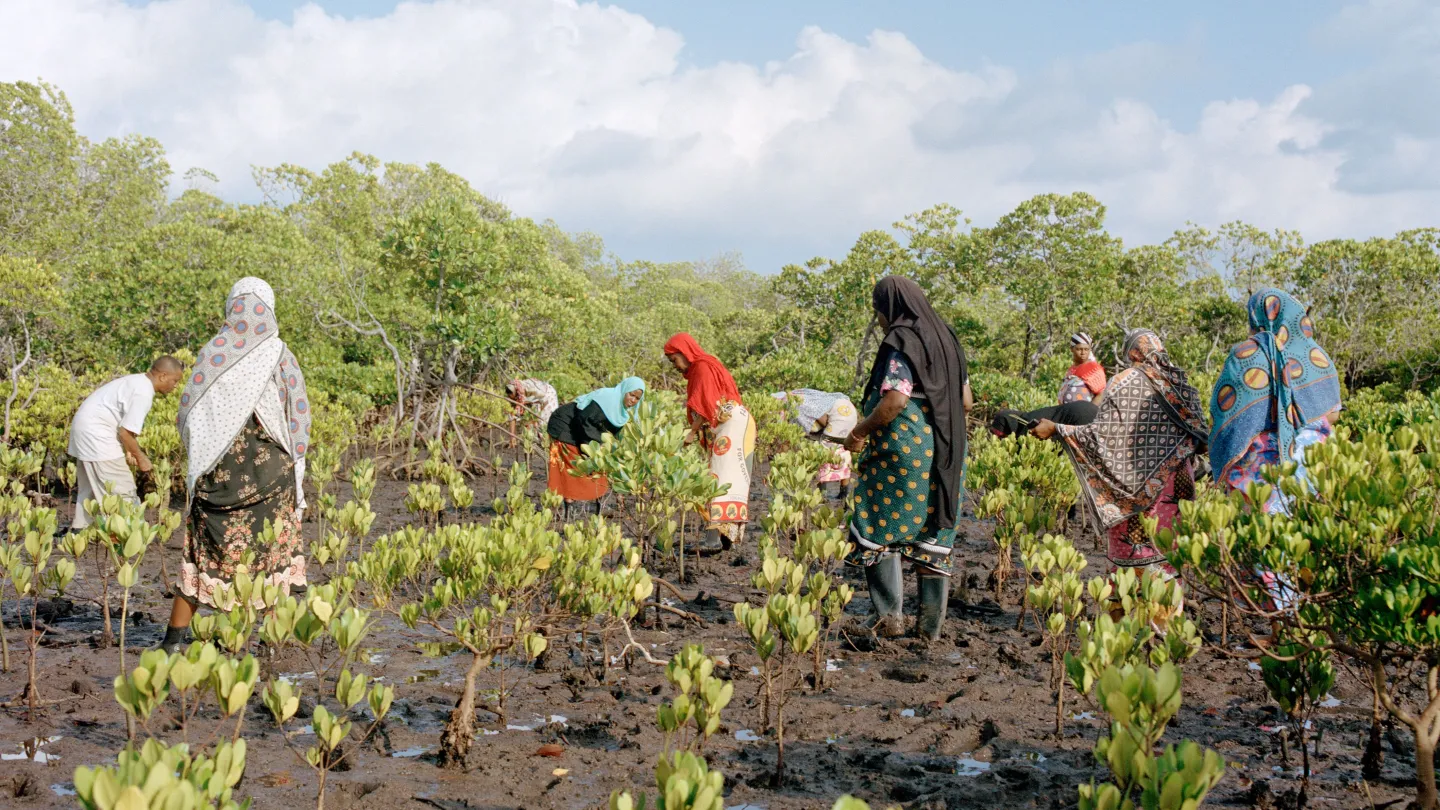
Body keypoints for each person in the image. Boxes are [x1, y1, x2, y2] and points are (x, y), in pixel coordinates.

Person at [158, 277, 311, 653]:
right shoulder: (280, 354)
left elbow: (188, 416)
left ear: (231, 308)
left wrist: (203, 464)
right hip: (271, 477)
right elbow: (299, 417)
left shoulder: (213, 353)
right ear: (269, 308)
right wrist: (298, 470)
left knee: (200, 557)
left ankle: (171, 644)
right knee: (274, 560)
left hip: (217, 480)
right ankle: (269, 646)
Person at [843, 277, 971, 641]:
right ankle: (930, 630)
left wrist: (860, 432)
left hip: (904, 454)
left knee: (878, 525)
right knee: (934, 535)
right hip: (947, 455)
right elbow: (966, 403)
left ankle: (890, 619)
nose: (880, 320)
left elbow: (895, 401)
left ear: (891, 306)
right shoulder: (947, 340)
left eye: (878, 311)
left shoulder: (902, 340)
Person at [1033, 329, 1208, 576]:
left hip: (1129, 490)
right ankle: (1166, 612)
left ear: (1131, 353)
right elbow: (1203, 443)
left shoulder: (1122, 382)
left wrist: (1058, 429)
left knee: (1130, 570)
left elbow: (1098, 435)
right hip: (1174, 487)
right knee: (1168, 561)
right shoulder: (1180, 384)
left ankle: (1126, 611)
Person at [1210, 289, 1341, 608]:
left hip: (1261, 469)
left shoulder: (1246, 354)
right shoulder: (1316, 355)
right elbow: (1333, 413)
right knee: (1301, 542)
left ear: (1257, 316)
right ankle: (1298, 622)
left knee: (1264, 542)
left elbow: (1228, 412)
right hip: (1311, 464)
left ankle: (1278, 622)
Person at [663, 334, 755, 554]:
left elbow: (707, 405)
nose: (674, 366)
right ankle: (725, 538)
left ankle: (713, 540)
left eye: (674, 359)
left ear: (684, 352)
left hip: (733, 426)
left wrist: (691, 433)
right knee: (729, 479)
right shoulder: (703, 367)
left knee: (719, 478)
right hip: (733, 425)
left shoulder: (703, 368)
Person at [68, 357, 184, 529]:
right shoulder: (144, 392)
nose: (175, 386)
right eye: (175, 381)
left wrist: (129, 450)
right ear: (163, 376)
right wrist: (141, 458)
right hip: (96, 433)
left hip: (85, 429)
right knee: (122, 488)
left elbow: (124, 428)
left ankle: (80, 530)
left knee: (91, 487)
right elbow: (125, 432)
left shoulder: (138, 381)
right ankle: (132, 533)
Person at [546, 377, 646, 515]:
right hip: (565, 425)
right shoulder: (607, 399)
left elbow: (610, 435)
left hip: (582, 430)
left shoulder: (621, 410)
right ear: (624, 391)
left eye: (637, 398)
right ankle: (569, 511)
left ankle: (597, 508)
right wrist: (588, 451)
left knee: (599, 465)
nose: (632, 400)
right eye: (631, 395)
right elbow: (583, 420)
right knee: (572, 463)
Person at [772, 389, 858, 496]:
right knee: (842, 451)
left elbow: (819, 419)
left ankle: (822, 495)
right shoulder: (801, 397)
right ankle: (843, 491)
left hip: (840, 415)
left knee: (824, 453)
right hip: (847, 410)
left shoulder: (796, 404)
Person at [1058, 332, 1107, 405]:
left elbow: (1101, 394)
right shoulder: (1071, 369)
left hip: (1084, 414)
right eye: (1079, 349)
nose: (1083, 352)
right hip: (1067, 412)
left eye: (1086, 349)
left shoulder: (1094, 369)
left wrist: (1088, 412)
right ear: (1071, 349)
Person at [507, 377, 559, 442]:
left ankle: (549, 442)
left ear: (517, 392)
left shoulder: (531, 389)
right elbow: (512, 415)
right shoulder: (512, 394)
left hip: (547, 396)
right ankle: (536, 440)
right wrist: (512, 436)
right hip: (534, 401)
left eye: (514, 398)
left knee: (545, 422)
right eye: (512, 398)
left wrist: (535, 420)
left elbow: (543, 402)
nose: (513, 400)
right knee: (531, 423)